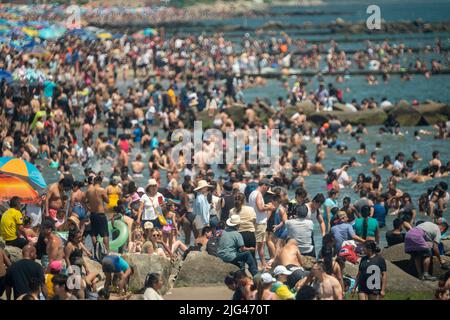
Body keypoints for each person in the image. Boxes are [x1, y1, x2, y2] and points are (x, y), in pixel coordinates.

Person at [248, 178, 275, 270]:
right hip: (260, 222)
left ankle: (263, 263)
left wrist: (265, 206)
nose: (268, 189)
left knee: (259, 245)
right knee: (259, 245)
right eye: (268, 187)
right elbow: (260, 208)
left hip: (255, 221)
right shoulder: (258, 194)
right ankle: (254, 264)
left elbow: (256, 207)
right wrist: (269, 208)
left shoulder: (252, 193)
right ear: (264, 186)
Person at [86, 175, 110, 252]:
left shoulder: (89, 191)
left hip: (92, 214)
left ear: (94, 181)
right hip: (100, 214)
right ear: (100, 182)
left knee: (93, 234)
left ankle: (96, 250)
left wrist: (88, 208)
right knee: (105, 234)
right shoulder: (102, 190)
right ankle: (106, 251)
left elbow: (85, 202)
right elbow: (107, 201)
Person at [230, 192, 257, 259]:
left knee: (239, 257)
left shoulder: (232, 211)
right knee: (252, 257)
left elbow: (231, 224)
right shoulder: (250, 209)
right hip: (249, 234)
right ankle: (254, 269)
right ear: (244, 200)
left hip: (237, 235)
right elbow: (254, 221)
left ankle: (241, 269)